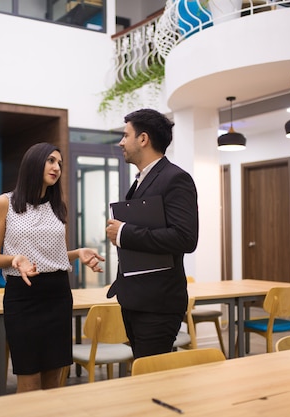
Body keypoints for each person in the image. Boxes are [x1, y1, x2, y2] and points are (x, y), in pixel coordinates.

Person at [0, 142, 105, 393]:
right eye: (51, 160)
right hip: (24, 296)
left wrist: (77, 253)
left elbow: (55, 257)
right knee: (28, 381)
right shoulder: (4, 203)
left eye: (59, 163)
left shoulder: (56, 206)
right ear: (34, 163)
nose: (56, 167)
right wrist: (13, 259)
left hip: (58, 295)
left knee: (54, 381)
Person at [105, 108, 199, 359]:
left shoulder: (175, 178)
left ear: (143, 139)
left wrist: (124, 232)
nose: (121, 142)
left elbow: (185, 238)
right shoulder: (140, 180)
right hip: (135, 299)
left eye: (126, 136)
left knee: (152, 379)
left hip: (158, 304)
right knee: (143, 375)